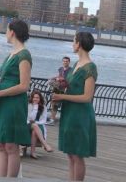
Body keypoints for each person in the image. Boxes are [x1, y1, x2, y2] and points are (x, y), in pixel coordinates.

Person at [0, 19, 32, 178]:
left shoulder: (24, 55)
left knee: (11, 145)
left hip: (14, 103)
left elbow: (24, 85)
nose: (5, 33)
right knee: (1, 144)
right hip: (3, 102)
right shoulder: (12, 54)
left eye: (7, 30)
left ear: (13, 32)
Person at [53, 32, 97, 182]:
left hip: (80, 115)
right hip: (70, 112)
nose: (72, 44)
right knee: (71, 154)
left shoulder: (90, 67)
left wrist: (62, 96)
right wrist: (60, 84)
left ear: (79, 44)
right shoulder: (76, 65)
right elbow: (71, 86)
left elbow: (87, 97)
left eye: (73, 41)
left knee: (78, 155)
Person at [26, 90, 53, 158]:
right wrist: (31, 121)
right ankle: (45, 145)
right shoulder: (29, 106)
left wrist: (35, 122)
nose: (35, 99)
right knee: (34, 126)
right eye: (34, 97)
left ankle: (32, 152)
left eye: (37, 97)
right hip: (27, 124)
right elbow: (26, 117)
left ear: (40, 98)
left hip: (38, 125)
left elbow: (43, 120)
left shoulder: (43, 107)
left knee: (35, 131)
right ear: (32, 98)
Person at [49, 55, 72, 123]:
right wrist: (53, 78)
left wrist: (61, 79)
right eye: (64, 61)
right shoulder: (60, 69)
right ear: (62, 62)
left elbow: (69, 79)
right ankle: (52, 119)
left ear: (69, 62)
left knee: (66, 106)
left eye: (66, 61)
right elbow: (59, 76)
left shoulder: (71, 70)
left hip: (66, 89)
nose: (65, 62)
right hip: (58, 89)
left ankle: (65, 120)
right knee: (54, 104)